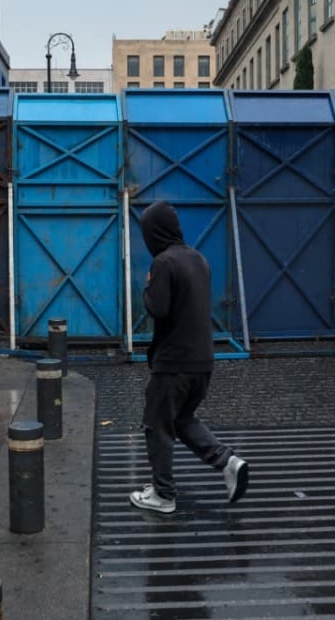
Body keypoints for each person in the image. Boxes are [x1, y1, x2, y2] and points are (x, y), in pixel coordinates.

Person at [130, 200, 249, 514]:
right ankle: (227, 462)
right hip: (202, 362)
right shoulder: (199, 259)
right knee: (180, 419)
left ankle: (163, 495)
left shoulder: (163, 263)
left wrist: (147, 288)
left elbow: (159, 308)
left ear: (154, 232)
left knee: (156, 425)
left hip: (174, 362)